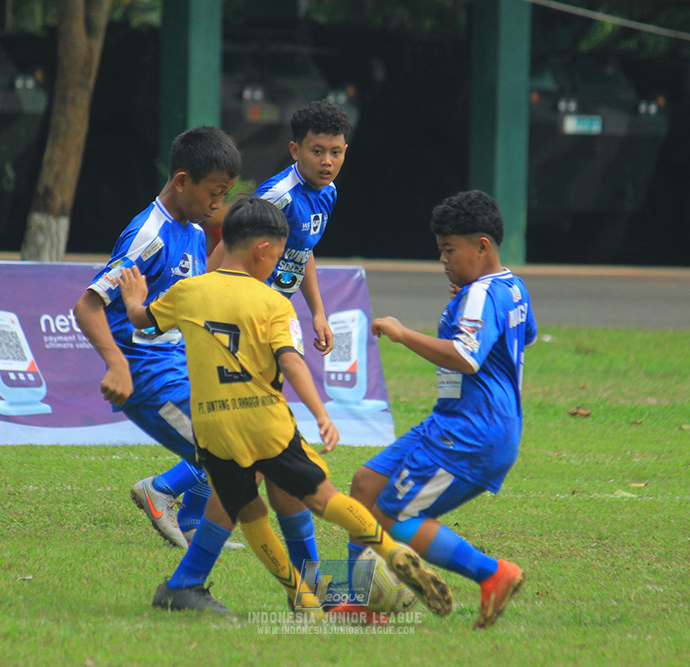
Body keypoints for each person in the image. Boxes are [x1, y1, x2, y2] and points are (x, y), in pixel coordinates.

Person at [117, 196, 452, 618]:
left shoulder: (189, 290)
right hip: (266, 424)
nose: (276, 267)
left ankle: (302, 595)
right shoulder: (273, 302)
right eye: (276, 258)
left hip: (215, 430)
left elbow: (142, 320)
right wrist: (322, 414)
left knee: (252, 515)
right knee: (323, 497)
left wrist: (134, 298)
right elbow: (292, 362)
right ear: (262, 251)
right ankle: (390, 550)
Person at [74, 126, 298, 613]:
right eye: (215, 193)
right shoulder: (149, 235)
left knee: (248, 452)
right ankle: (177, 545)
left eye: (225, 194)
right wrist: (117, 364)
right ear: (181, 181)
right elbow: (88, 305)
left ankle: (191, 540)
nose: (219, 205)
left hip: (181, 370)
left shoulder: (195, 232)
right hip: (150, 379)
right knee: (241, 460)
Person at [143, 99, 353, 571]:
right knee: (252, 430)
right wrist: (208, 300)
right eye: (318, 151)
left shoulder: (327, 193)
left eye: (337, 152)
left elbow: (302, 250)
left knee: (249, 430)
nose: (327, 161)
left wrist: (318, 311)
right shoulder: (278, 195)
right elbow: (230, 250)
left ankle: (191, 517)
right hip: (247, 318)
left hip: (272, 314)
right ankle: (166, 489)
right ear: (295, 150)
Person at [346, 190, 535, 630]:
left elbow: (466, 357)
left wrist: (402, 333)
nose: (443, 260)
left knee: (395, 515)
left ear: (481, 246)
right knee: (365, 486)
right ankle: (359, 600)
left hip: (471, 430)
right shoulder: (512, 287)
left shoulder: (480, 295)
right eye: (441, 251)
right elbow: (523, 336)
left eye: (450, 250)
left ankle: (493, 573)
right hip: (452, 420)